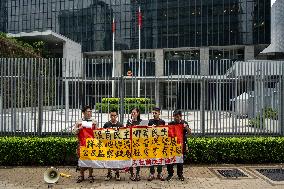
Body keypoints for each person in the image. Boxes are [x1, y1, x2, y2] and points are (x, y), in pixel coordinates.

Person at [73, 105, 97, 183]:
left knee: (90, 159)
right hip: (82, 144)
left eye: (90, 111)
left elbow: (97, 132)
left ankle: (90, 175)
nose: (89, 113)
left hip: (91, 144)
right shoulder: (79, 122)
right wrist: (79, 129)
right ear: (83, 113)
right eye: (88, 111)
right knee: (81, 159)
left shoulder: (94, 121)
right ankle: (81, 175)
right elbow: (73, 131)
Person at [166, 110, 191, 181]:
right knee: (170, 160)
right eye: (174, 116)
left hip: (181, 144)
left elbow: (189, 132)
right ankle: (170, 174)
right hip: (172, 145)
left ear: (180, 116)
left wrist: (185, 127)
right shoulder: (171, 123)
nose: (175, 118)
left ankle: (180, 175)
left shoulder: (184, 123)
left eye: (177, 117)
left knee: (180, 160)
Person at [103, 109, 124, 181]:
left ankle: (117, 173)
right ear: (110, 115)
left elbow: (123, 135)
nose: (113, 117)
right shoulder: (106, 124)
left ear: (117, 116)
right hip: (108, 145)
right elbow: (103, 134)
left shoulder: (120, 125)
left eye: (114, 115)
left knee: (117, 160)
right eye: (112, 115)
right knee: (108, 160)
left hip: (117, 145)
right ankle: (109, 173)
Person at [147, 107, 166, 181]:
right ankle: (152, 173)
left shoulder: (162, 122)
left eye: (155, 113)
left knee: (160, 158)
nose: (154, 114)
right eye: (153, 113)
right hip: (152, 143)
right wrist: (150, 128)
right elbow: (147, 131)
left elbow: (165, 132)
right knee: (152, 158)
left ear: (159, 113)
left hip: (160, 143)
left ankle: (159, 173)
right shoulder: (150, 121)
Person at [126, 107, 142, 181]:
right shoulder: (129, 121)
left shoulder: (141, 121)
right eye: (132, 112)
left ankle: (138, 173)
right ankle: (132, 173)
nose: (133, 114)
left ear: (138, 113)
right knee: (131, 159)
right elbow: (126, 131)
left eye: (134, 112)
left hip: (139, 143)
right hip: (131, 143)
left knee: (138, 159)